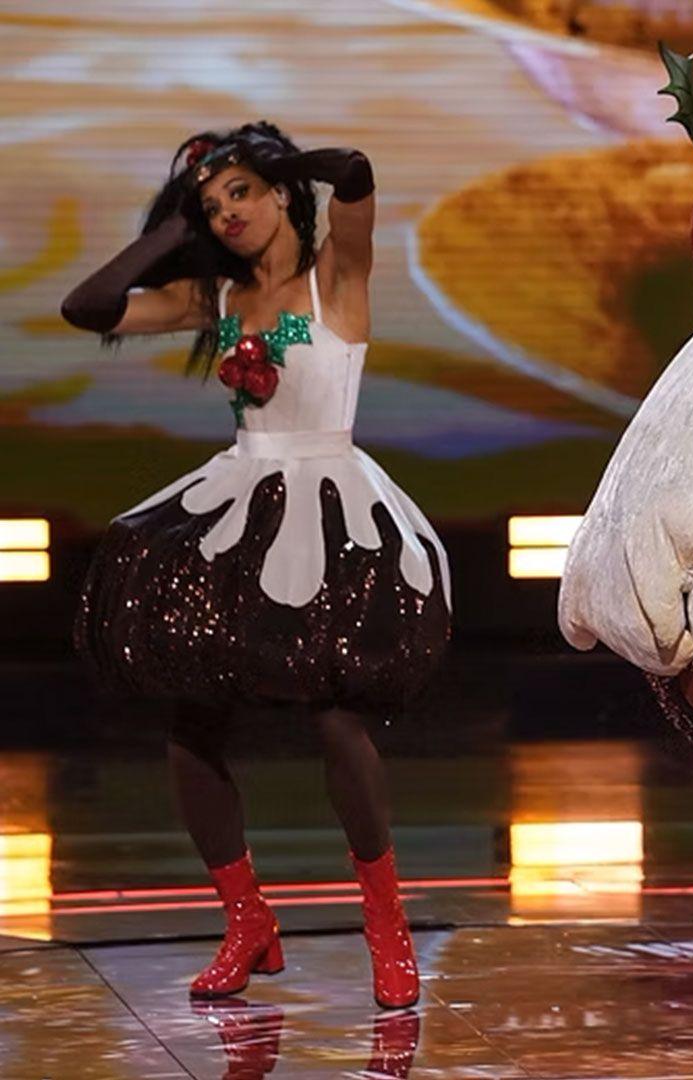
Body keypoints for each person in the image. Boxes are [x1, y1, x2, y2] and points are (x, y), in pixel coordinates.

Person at [61, 122, 450, 1009]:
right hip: (240, 505)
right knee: (190, 723)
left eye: (240, 193)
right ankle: (247, 922)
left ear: (279, 194)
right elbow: (87, 308)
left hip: (334, 508)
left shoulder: (335, 277)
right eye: (212, 205)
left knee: (336, 721)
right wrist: (169, 234)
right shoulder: (216, 298)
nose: (226, 212)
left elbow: (354, 173)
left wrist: (276, 162)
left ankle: (386, 928)